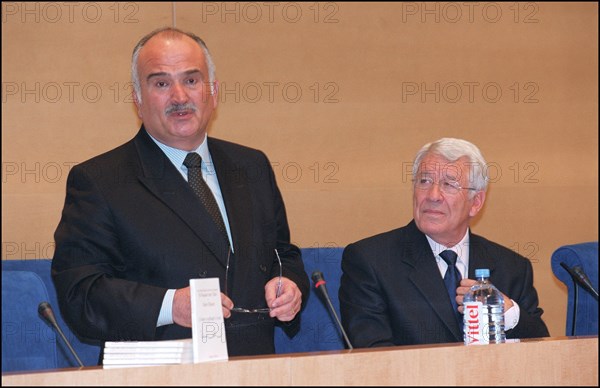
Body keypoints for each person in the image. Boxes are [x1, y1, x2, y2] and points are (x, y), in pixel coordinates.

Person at [51, 27, 309, 358]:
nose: (180, 97)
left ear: (212, 92)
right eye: (161, 83)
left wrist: (289, 285)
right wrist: (170, 306)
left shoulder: (251, 165)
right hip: (157, 371)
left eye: (191, 80)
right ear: (137, 98)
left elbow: (282, 254)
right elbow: (80, 293)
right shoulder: (99, 180)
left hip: (253, 365)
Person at [339, 137, 549, 347]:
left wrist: (508, 313)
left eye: (449, 184)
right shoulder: (370, 261)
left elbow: (541, 349)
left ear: (476, 203)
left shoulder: (512, 267)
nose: (433, 195)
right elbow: (373, 355)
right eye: (424, 181)